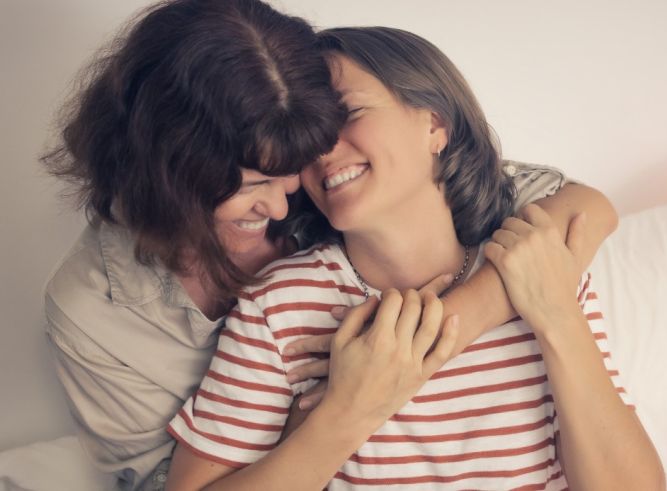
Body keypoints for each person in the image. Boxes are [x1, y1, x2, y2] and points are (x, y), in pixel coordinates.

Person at [41, 1, 618, 490]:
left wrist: (436, 334)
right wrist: (346, 405)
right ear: (171, 179)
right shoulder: (104, 310)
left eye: (291, 166)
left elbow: (583, 206)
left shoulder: (518, 251)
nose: (285, 202)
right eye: (253, 184)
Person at [166, 26, 664, 490]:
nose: (321, 148)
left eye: (347, 114)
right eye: (309, 132)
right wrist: (350, 409)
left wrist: (557, 319)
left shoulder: (536, 263)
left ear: (435, 125)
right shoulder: (279, 305)